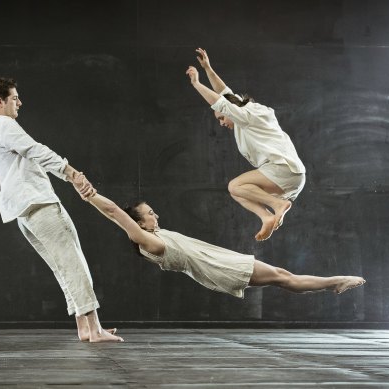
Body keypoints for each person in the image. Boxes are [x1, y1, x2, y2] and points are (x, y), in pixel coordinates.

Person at [0, 77, 122, 342]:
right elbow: (38, 151)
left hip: (25, 209)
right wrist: (72, 173)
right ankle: (95, 330)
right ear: (0, 102)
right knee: (73, 262)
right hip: (39, 204)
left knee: (63, 265)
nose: (19, 103)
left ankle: (84, 327)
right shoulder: (5, 127)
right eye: (14, 98)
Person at [74, 186, 365, 298]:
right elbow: (114, 213)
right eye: (150, 214)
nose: (156, 215)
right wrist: (88, 193)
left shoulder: (155, 235)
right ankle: (336, 281)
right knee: (282, 277)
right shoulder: (147, 242)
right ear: (139, 223)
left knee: (282, 278)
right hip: (218, 267)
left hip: (218, 262)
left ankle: (334, 283)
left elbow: (118, 216)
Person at [186, 48, 306, 241]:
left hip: (283, 170)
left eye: (221, 118)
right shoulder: (248, 111)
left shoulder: (246, 117)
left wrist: (196, 84)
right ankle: (267, 216)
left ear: (231, 111)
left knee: (235, 186)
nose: (222, 123)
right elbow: (225, 94)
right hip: (293, 178)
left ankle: (276, 205)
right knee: (240, 193)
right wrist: (208, 68)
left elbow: (221, 102)